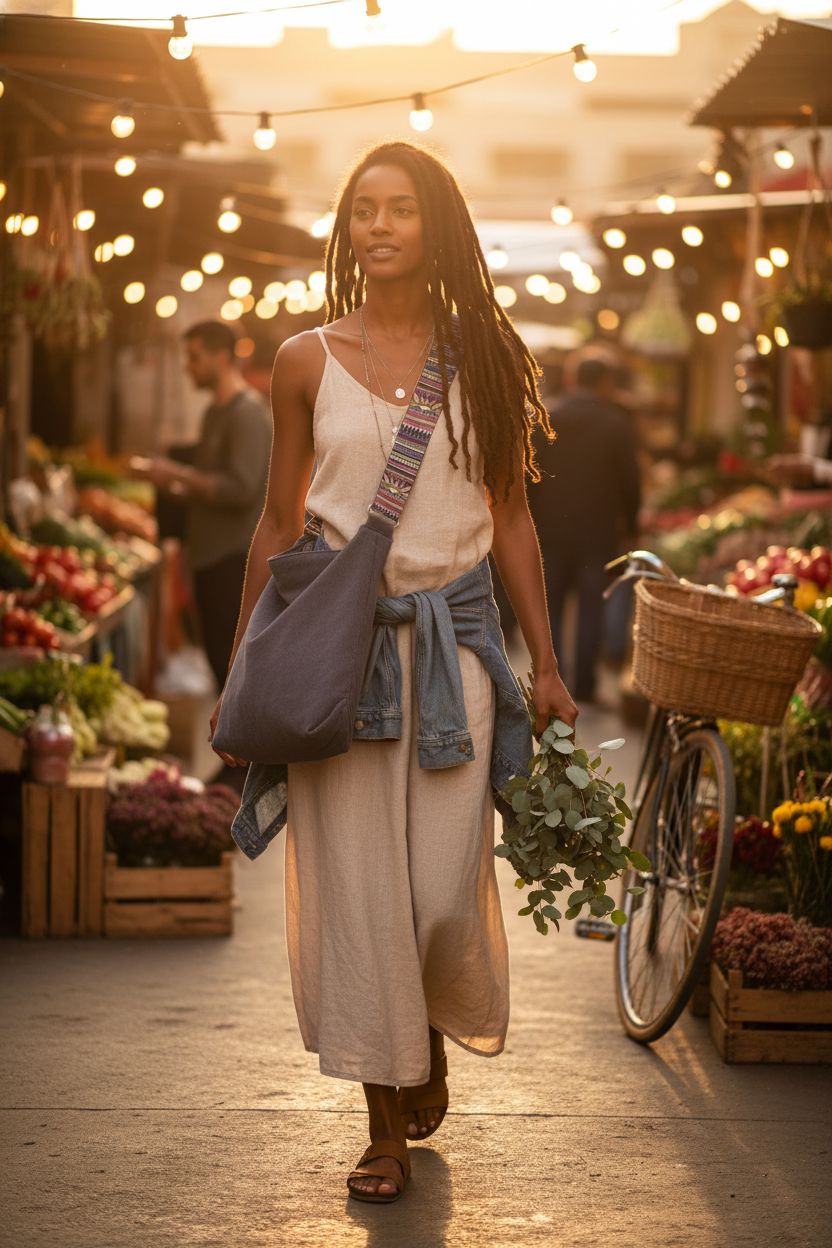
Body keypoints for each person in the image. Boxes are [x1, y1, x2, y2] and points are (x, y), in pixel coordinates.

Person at [209, 141, 577, 1204]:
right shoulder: (301, 360)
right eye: (362, 208)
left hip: (456, 659)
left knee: (436, 897)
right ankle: (381, 1124)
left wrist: (545, 661)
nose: (377, 226)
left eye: (401, 208)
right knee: (358, 898)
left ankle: (420, 1022)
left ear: (437, 224)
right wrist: (246, 667)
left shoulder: (490, 360)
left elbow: (511, 514)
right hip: (338, 666)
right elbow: (279, 520)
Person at [135, 321, 272, 692]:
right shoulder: (215, 412)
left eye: (194, 358)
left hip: (234, 561)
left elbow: (241, 488)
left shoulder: (248, 414)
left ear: (222, 356)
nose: (187, 367)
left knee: (233, 665)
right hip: (208, 558)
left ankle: (245, 747)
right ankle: (230, 745)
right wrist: (172, 483)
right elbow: (209, 486)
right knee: (217, 659)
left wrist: (177, 472)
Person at [529, 355, 640, 703]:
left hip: (549, 528)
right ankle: (586, 687)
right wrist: (631, 523)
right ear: (605, 382)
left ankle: (550, 679)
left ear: (575, 378)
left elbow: (527, 474)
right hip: (597, 530)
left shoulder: (549, 416)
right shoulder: (616, 423)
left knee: (550, 608)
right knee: (592, 608)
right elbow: (631, 481)